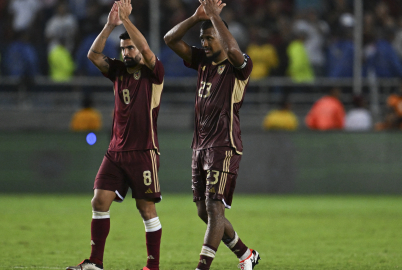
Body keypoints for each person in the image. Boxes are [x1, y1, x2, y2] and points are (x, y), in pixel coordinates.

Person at [66, 1, 164, 270]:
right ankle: (95, 263)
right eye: (123, 49)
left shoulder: (153, 72)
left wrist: (126, 20)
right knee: (99, 201)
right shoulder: (118, 72)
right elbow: (93, 55)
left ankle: (152, 266)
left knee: (146, 210)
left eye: (130, 47)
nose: (127, 52)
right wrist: (111, 25)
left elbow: (146, 49)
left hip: (143, 152)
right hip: (115, 151)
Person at [164, 1, 260, 269]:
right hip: (200, 144)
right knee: (203, 211)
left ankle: (202, 266)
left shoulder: (240, 65)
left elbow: (231, 49)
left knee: (215, 207)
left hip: (224, 143)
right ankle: (246, 255)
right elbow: (170, 39)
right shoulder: (203, 61)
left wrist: (216, 17)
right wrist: (196, 17)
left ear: (221, 35)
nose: (204, 43)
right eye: (202, 38)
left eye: (209, 38)